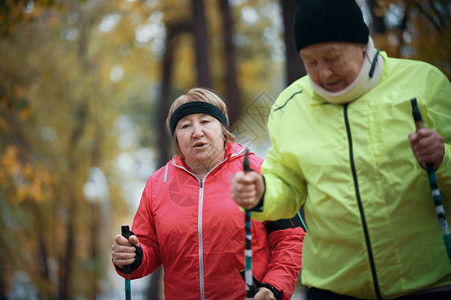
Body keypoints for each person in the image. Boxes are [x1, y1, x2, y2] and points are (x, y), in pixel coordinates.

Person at [231, 0, 451, 299]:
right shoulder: (289, 105)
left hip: (428, 283)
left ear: (361, 44)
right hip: (333, 287)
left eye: (332, 58)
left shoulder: (423, 82)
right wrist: (261, 193)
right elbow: (287, 185)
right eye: (311, 62)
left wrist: (442, 158)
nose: (323, 73)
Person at [111, 88, 305, 300]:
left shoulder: (258, 172)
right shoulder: (158, 184)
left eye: (205, 121)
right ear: (176, 138)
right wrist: (133, 256)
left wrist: (274, 287)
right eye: (185, 126)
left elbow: (291, 239)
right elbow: (147, 248)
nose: (196, 132)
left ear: (223, 130)